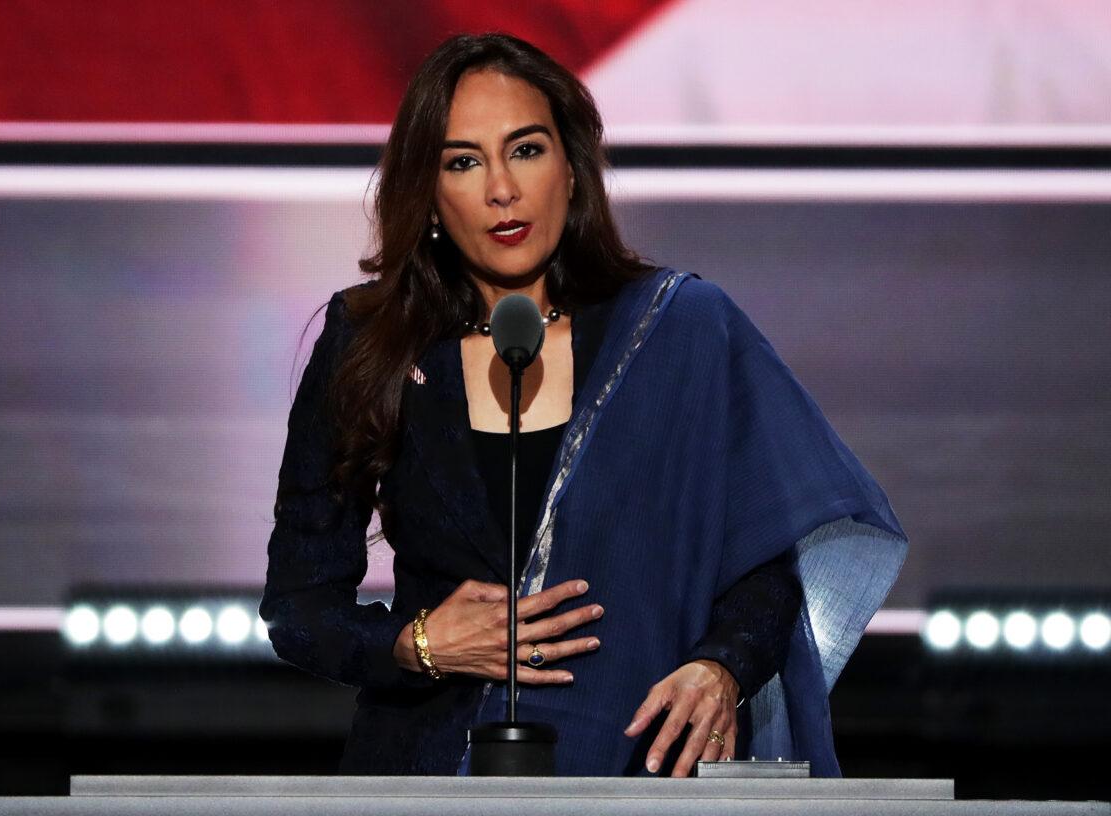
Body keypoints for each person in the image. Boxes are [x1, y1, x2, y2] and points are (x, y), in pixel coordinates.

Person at [260, 32, 908, 777]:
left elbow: (766, 562)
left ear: (572, 169)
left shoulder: (681, 329)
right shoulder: (371, 340)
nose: (502, 188)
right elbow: (300, 606)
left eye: (526, 150)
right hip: (432, 770)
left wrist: (723, 667)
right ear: (431, 195)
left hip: (642, 766)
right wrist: (417, 645)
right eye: (464, 162)